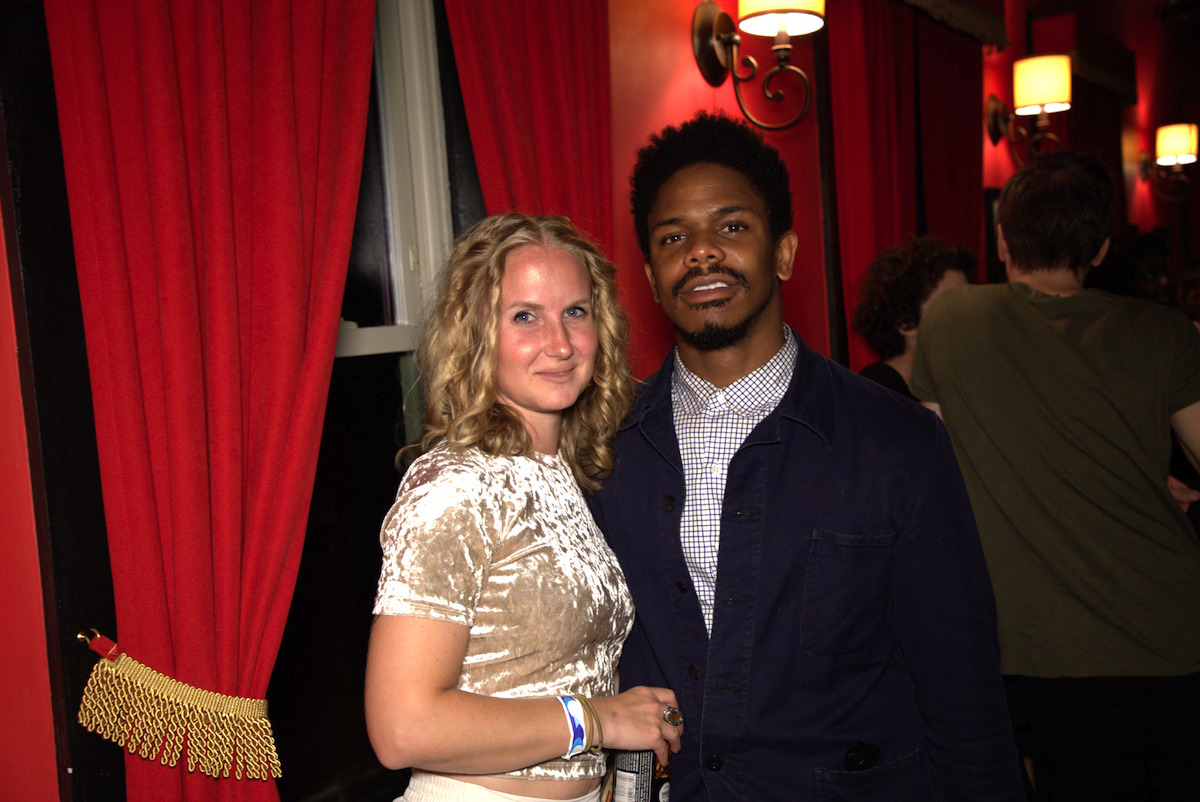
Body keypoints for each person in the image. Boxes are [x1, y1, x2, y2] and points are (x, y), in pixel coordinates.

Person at [589, 111, 1024, 800]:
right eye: (673, 237)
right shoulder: (605, 449)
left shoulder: (898, 442)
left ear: (785, 252)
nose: (700, 253)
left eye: (732, 227)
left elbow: (961, 690)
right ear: (649, 272)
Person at [364, 214, 683, 802]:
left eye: (575, 312)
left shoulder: (563, 472)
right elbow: (401, 728)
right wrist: (596, 719)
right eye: (525, 316)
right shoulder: (455, 485)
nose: (560, 344)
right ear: (476, 334)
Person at [911, 151, 1200, 800]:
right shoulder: (1165, 330)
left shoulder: (953, 320)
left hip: (1043, 648)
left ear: (1002, 239)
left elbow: (932, 465)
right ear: (1100, 248)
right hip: (1175, 630)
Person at [852, 236, 973, 399]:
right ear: (905, 322)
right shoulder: (877, 388)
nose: (966, 314)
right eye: (951, 304)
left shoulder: (962, 381)